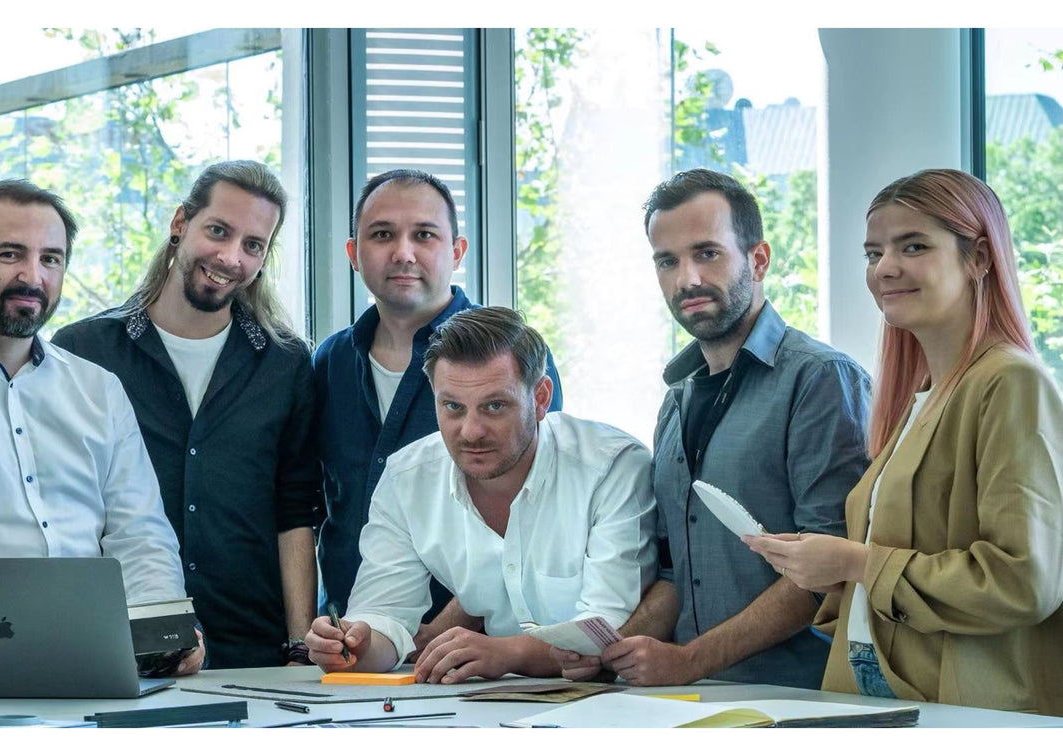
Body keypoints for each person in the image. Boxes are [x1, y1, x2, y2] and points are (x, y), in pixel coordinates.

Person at [745, 169, 1063, 715]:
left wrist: (856, 563)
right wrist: (825, 567)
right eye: (874, 253)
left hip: (962, 707)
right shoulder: (920, 397)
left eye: (913, 246)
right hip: (879, 688)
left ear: (979, 257)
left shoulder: (1010, 382)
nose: (885, 268)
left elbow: (1023, 581)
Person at [569, 169, 871, 689]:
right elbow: (674, 573)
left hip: (801, 701)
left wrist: (690, 662)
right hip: (695, 700)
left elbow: (827, 571)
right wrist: (606, 653)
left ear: (758, 260)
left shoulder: (820, 379)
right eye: (667, 261)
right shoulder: (676, 401)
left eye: (707, 253)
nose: (686, 279)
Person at [0, 180, 202, 676]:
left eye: (51, 259)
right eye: (10, 254)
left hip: (94, 656)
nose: (32, 276)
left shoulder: (97, 389)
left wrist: (163, 636)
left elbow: (139, 531)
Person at [53, 160, 321, 669]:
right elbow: (62, 507)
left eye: (253, 245)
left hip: (253, 649)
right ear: (180, 223)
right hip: (119, 646)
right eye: (218, 231)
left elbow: (294, 514)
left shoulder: (285, 363)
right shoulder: (84, 352)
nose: (231, 257)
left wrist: (300, 646)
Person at [305, 307, 655, 683]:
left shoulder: (611, 466)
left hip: (619, 697)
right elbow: (383, 616)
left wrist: (509, 653)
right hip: (486, 701)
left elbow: (604, 627)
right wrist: (352, 647)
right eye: (453, 407)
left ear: (540, 398)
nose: (471, 432)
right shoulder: (408, 477)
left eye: (494, 406)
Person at [313, 169, 563, 656]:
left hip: (482, 650)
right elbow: (312, 504)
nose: (403, 252)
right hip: (359, 643)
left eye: (424, 235)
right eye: (382, 235)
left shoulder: (509, 359)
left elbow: (538, 512)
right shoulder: (330, 361)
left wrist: (428, 635)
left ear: (457, 251)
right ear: (353, 254)